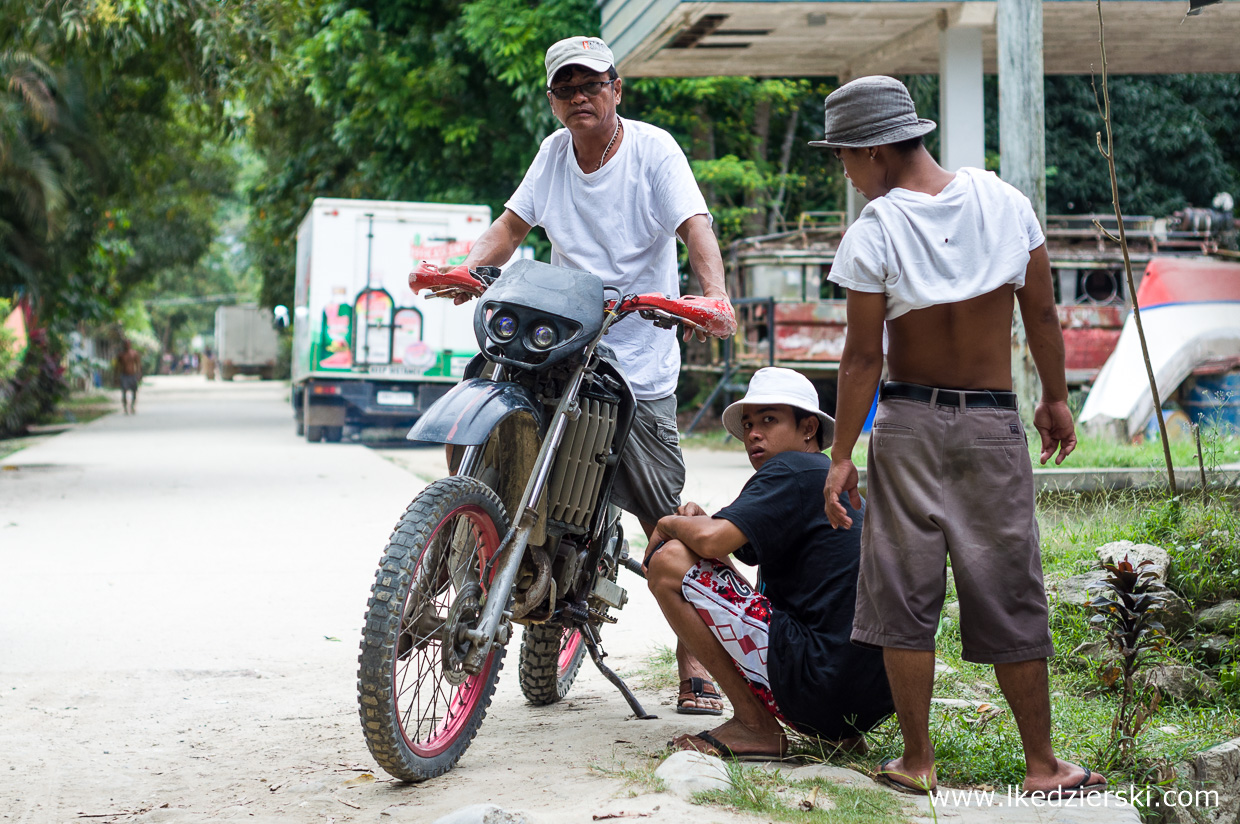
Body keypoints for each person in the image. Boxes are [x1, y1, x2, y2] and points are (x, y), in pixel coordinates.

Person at [816, 76, 1106, 798]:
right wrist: (1057, 399)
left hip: (908, 424)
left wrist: (842, 452)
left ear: (876, 149)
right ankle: (1042, 765)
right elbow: (1042, 316)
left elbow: (862, 357)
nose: (845, 172)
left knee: (902, 594)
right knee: (1010, 586)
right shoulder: (1004, 202)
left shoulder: (876, 229)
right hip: (991, 423)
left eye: (845, 156)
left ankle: (918, 762)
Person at [436, 35, 736, 715]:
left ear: (616, 88)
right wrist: (468, 267)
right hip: (560, 340)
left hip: (637, 357)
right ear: (553, 99)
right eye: (565, 89)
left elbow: (696, 228)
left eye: (591, 85)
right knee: (477, 415)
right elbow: (509, 230)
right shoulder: (552, 155)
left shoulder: (654, 151)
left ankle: (698, 663)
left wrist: (710, 298)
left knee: (667, 516)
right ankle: (449, 557)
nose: (579, 98)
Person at [644, 367, 892, 758]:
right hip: (866, 699)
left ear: (808, 428)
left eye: (769, 420)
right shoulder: (819, 478)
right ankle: (840, 737)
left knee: (670, 562)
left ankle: (754, 725)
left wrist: (668, 523)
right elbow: (720, 553)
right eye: (748, 425)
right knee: (693, 557)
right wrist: (700, 526)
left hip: (820, 680)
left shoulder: (790, 469)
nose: (753, 434)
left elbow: (710, 541)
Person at [116, 338, 142, 415]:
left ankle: (132, 406)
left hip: (132, 375)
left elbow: (138, 365)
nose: (127, 345)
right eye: (125, 344)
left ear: (130, 344)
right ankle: (125, 407)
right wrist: (116, 377)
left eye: (128, 343)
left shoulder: (134, 353)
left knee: (134, 392)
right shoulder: (121, 355)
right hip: (124, 375)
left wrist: (139, 374)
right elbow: (117, 367)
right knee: (124, 392)